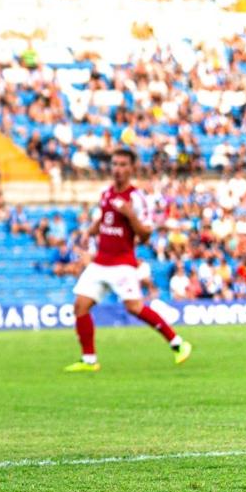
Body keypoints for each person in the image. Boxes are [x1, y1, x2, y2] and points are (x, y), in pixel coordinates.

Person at [65, 148, 192, 372]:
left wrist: (130, 215)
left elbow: (145, 235)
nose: (118, 169)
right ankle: (89, 360)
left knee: (134, 307)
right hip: (100, 261)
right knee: (80, 306)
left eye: (123, 164)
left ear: (132, 168)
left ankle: (178, 343)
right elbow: (104, 218)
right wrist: (89, 231)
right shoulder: (106, 194)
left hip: (122, 263)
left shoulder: (137, 198)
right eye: (115, 164)